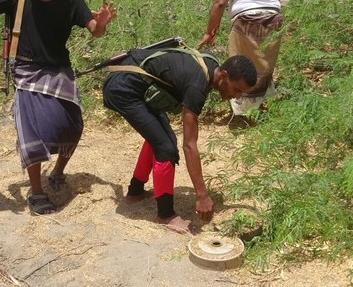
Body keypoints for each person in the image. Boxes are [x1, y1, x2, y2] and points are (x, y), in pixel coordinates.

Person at [0, 0, 116, 215]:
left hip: (58, 70)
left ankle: (58, 171)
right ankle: (36, 191)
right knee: (32, 131)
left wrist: (100, 25)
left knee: (72, 127)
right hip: (26, 70)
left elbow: (94, 30)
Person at [102, 49, 257, 233]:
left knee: (162, 137)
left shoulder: (210, 64)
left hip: (133, 82)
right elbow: (190, 145)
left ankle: (135, 192)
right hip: (123, 89)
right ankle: (165, 215)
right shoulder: (197, 85)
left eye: (241, 93)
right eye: (236, 89)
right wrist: (201, 195)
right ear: (224, 75)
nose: (237, 96)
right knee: (166, 148)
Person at [198, 0, 288, 122]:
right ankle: (263, 111)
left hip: (245, 22)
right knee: (264, 66)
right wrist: (265, 5)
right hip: (273, 20)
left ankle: (241, 116)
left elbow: (220, 2)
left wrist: (209, 32)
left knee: (239, 67)